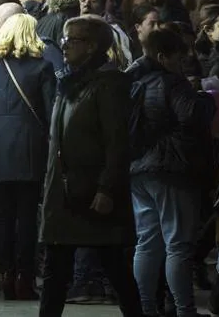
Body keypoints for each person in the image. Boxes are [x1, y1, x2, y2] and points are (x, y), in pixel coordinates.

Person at [39, 17, 142, 317]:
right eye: (65, 39)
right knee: (55, 271)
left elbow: (117, 142)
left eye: (74, 40)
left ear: (93, 46)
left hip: (91, 194)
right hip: (64, 193)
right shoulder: (70, 82)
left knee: (116, 270)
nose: (65, 45)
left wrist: (107, 188)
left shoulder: (108, 85)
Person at [128, 28, 214, 317]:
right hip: (172, 168)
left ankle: (146, 307)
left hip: (140, 169)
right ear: (164, 56)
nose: (182, 62)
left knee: (147, 242)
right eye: (178, 57)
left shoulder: (134, 80)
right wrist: (205, 98)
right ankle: (184, 310)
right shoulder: (172, 83)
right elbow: (192, 116)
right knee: (178, 244)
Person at [0, 12, 56, 300]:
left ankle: (5, 275)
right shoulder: (43, 66)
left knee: (1, 216)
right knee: (26, 217)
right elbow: (51, 113)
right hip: (29, 148)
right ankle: (25, 279)